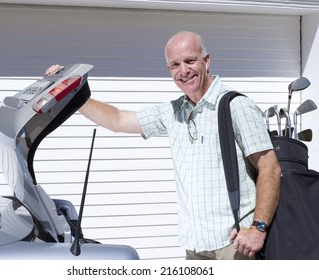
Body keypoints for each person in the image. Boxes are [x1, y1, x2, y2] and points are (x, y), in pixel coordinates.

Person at [45, 31, 281, 260]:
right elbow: (118, 120)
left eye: (190, 61)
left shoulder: (235, 105)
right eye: (175, 65)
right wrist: (71, 94)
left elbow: (270, 169)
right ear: (169, 70)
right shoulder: (174, 111)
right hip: (196, 247)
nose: (184, 71)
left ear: (207, 61)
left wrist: (258, 228)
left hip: (234, 247)